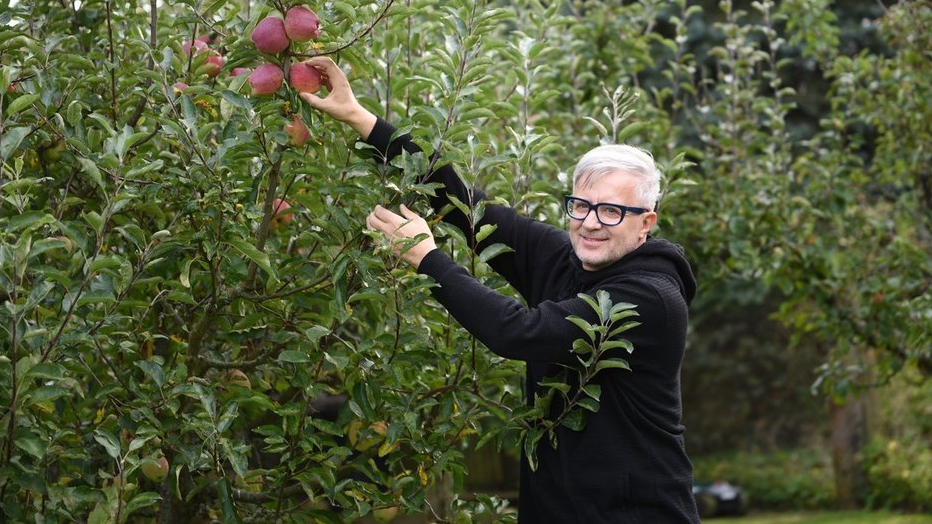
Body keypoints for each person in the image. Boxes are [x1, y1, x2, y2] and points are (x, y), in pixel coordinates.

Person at [299, 57, 700, 524]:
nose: (590, 223)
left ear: (645, 223)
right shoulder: (565, 257)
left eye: (611, 211)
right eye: (581, 205)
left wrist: (426, 258)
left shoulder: (650, 300)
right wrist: (361, 118)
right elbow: (462, 206)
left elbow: (520, 332)